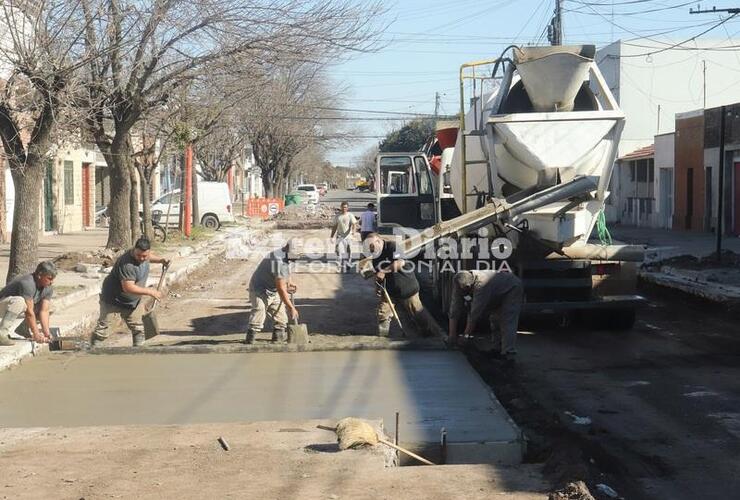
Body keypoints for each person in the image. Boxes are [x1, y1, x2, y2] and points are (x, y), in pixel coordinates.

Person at [90, 237, 170, 347]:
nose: (142, 258)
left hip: (133, 302)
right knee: (102, 332)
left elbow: (149, 257)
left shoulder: (145, 256)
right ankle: (92, 353)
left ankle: (138, 354)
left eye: (144, 256)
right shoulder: (127, 264)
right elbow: (128, 287)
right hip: (113, 300)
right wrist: (151, 292)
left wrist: (161, 260)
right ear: (134, 250)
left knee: (139, 329)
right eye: (139, 255)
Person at [365, 233, 443, 338]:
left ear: (378, 241)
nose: (371, 249)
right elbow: (378, 274)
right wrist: (377, 287)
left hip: (406, 285)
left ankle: (428, 334)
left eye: (372, 246)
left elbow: (400, 263)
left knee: (417, 311)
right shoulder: (375, 255)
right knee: (383, 312)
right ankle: (382, 336)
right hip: (389, 289)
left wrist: (383, 271)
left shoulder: (393, 246)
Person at [447, 270, 523, 360]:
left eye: (466, 291)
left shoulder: (482, 284)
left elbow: (474, 314)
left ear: (470, 286)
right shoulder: (457, 281)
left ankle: (509, 354)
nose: (464, 294)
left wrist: (466, 336)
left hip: (511, 289)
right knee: (494, 320)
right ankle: (496, 349)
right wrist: (452, 335)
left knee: (507, 320)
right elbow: (455, 307)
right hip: (496, 291)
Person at [246, 240, 299, 344]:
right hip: (259, 289)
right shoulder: (278, 260)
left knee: (281, 319)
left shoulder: (286, 256)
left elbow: (287, 270)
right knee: (259, 313)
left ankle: (277, 340)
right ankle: (250, 341)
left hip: (272, 289)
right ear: (286, 249)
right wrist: (291, 307)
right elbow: (281, 289)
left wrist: (289, 282)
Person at [0, 261, 57, 346]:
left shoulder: (48, 287)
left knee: (51, 307)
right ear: (39, 275)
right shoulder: (27, 283)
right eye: (49, 278)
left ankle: (23, 328)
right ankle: (2, 334)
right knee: (19, 301)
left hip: (17, 309)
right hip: (4, 305)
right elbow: (29, 312)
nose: (52, 282)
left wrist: (47, 333)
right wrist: (36, 334)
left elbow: (44, 311)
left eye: (53, 279)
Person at [330, 201, 357, 272]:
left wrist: (353, 233)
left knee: (349, 251)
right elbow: (334, 226)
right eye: (342, 207)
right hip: (339, 236)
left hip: (348, 236)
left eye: (345, 207)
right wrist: (331, 236)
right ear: (340, 207)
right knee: (338, 251)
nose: (344, 208)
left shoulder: (350, 215)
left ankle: (348, 264)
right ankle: (339, 266)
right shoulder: (337, 216)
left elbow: (354, 224)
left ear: (347, 208)